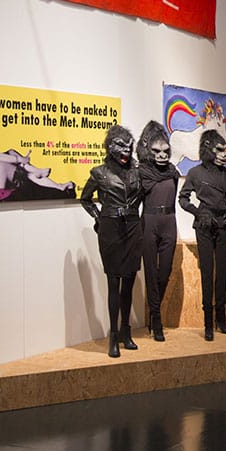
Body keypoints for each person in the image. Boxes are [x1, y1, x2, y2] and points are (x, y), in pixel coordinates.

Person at [80, 125, 143, 358]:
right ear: (110, 147)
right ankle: (113, 337)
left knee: (129, 282)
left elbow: (145, 195)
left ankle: (127, 333)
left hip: (132, 230)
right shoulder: (99, 173)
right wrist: (99, 218)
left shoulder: (138, 173)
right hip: (110, 231)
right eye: (120, 145)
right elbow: (85, 199)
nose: (125, 150)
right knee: (113, 283)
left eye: (129, 146)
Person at [178, 130, 226, 341]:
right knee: (207, 271)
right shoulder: (195, 173)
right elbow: (183, 198)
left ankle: (220, 320)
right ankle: (207, 323)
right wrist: (198, 212)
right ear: (208, 149)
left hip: (223, 225)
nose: (224, 154)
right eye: (219, 150)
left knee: (221, 272)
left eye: (225, 150)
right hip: (204, 225)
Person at [136, 121, 179, 342]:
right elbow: (135, 201)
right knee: (151, 273)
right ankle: (157, 319)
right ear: (147, 150)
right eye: (156, 151)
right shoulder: (142, 172)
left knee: (165, 271)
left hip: (169, 221)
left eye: (165, 150)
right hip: (149, 222)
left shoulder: (173, 172)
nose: (162, 155)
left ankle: (154, 312)